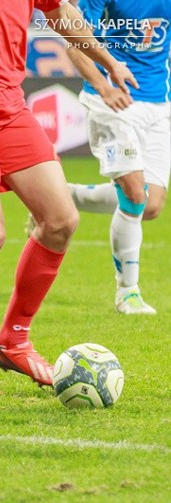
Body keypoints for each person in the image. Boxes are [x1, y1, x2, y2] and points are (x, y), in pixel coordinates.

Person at [0, 1, 137, 396]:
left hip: (6, 97)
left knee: (61, 220)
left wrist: (106, 61)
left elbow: (61, 14)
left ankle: (13, 340)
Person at [61, 0, 170, 315]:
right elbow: (75, 44)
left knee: (150, 205)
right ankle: (128, 293)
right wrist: (102, 86)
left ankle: (65, 196)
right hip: (109, 100)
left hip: (159, 106)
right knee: (135, 194)